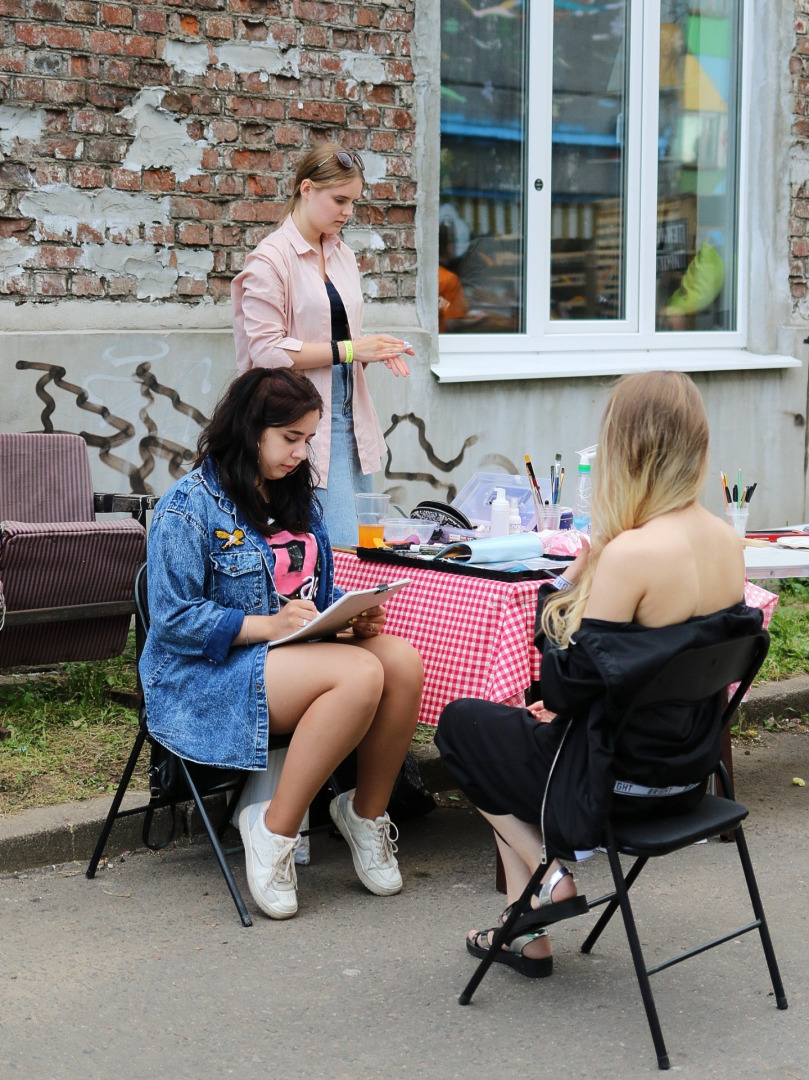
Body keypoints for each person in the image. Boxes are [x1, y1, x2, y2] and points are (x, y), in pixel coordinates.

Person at [435, 370, 763, 978]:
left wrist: (567, 585)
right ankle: (527, 939)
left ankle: (550, 874)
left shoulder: (631, 553)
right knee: (518, 736)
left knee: (461, 726)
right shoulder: (725, 540)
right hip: (687, 778)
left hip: (608, 785)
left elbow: (561, 686)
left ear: (626, 448)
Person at [139, 367, 424, 920]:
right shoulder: (188, 505)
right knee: (360, 675)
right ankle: (273, 830)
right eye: (290, 438)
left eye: (308, 440)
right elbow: (173, 620)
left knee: (401, 662)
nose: (300, 453)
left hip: (285, 657)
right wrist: (269, 626)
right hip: (205, 677)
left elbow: (308, 587)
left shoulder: (295, 496)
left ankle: (365, 815)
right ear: (251, 429)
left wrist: (346, 613)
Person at [231, 141, 414, 546]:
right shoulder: (269, 259)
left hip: (351, 415)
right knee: (336, 548)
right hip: (301, 427)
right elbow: (267, 351)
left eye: (353, 202)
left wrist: (374, 350)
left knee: (367, 547)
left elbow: (340, 338)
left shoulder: (343, 255)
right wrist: (353, 350)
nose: (348, 211)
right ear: (307, 189)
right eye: (340, 200)